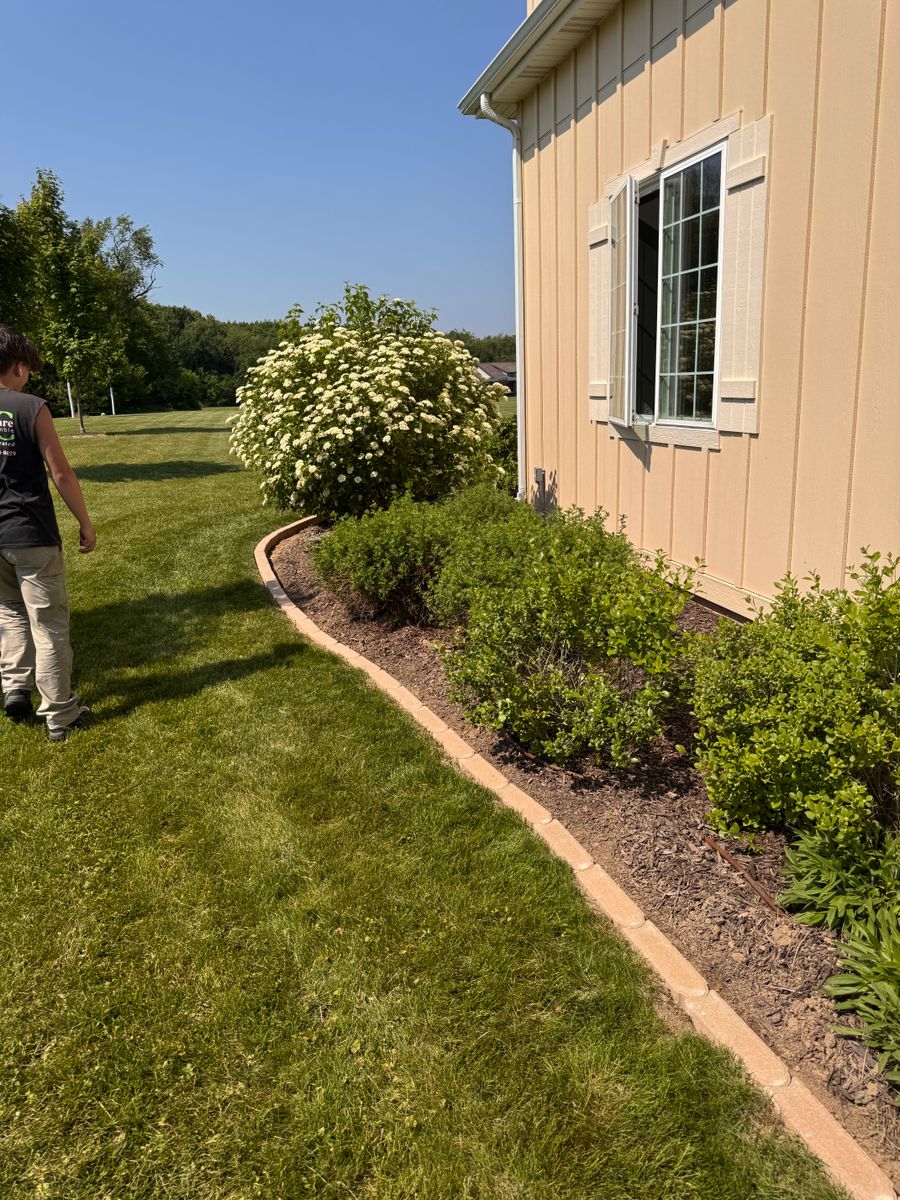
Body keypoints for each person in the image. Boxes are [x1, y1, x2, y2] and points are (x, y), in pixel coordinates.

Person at [0, 324, 96, 741]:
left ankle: (14, 687)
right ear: (19, 367)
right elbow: (60, 472)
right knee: (49, 622)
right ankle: (61, 714)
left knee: (8, 611)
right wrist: (85, 522)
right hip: (31, 533)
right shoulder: (31, 407)